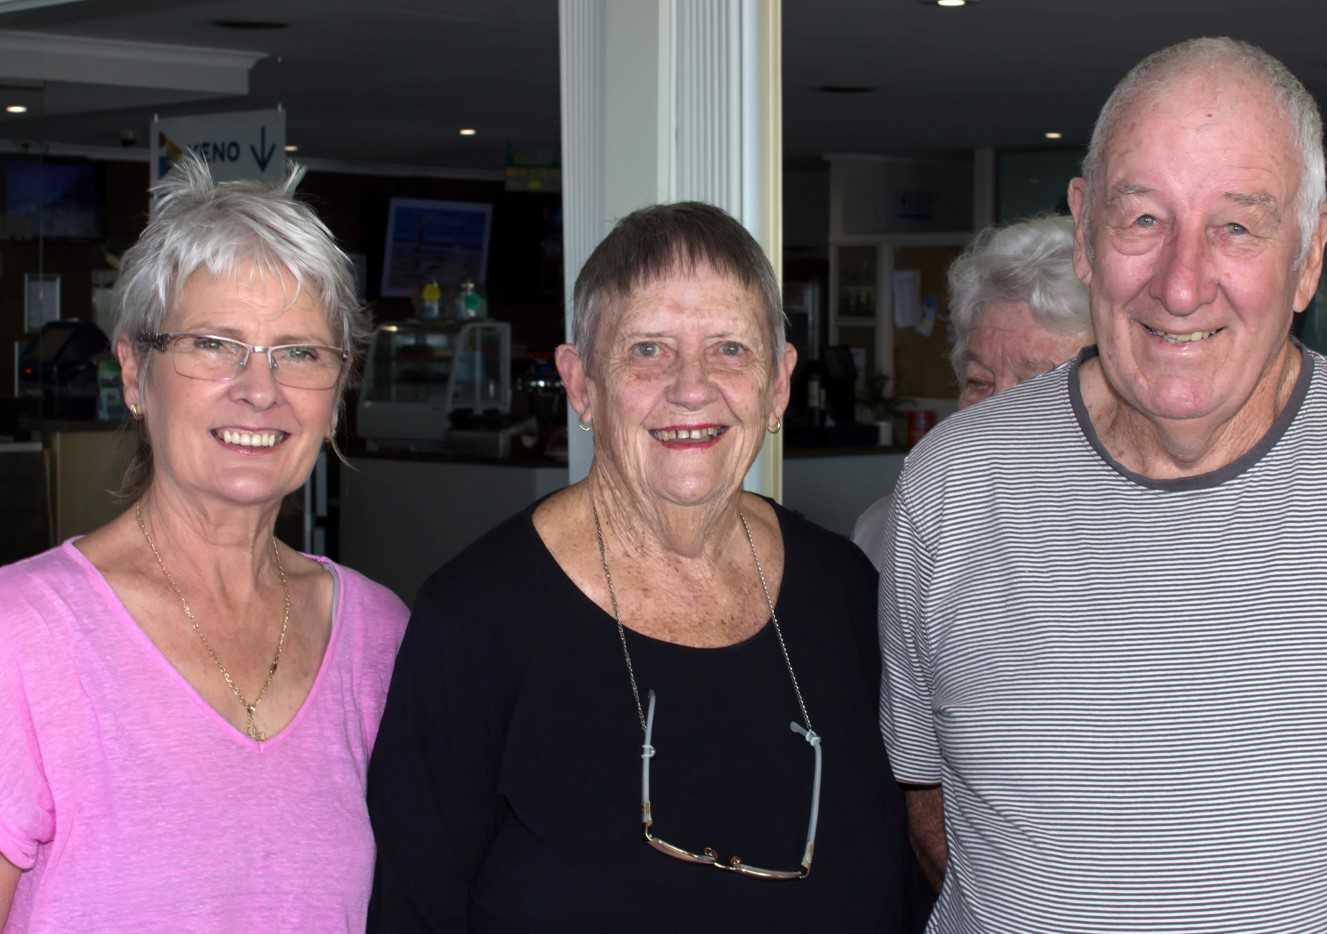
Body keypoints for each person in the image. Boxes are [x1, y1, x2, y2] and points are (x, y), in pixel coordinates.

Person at [880, 36, 1327, 931]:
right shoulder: (954, 484)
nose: (1181, 286)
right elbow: (933, 801)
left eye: (1237, 224)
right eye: (1143, 219)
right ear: (1086, 234)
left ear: (1308, 254)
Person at [368, 202, 913, 931]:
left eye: (730, 349)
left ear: (779, 384)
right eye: (648, 350)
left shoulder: (843, 590)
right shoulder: (475, 620)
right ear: (581, 384)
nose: (692, 387)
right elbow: (414, 911)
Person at [0, 157, 408, 932]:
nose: (260, 389)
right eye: (214, 343)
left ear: (337, 390)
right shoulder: (21, 636)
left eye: (300, 352)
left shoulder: (382, 638)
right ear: (133, 370)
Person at [851, 215, 1091, 572]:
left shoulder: (1159, 543)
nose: (995, 412)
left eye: (1037, 385)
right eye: (979, 381)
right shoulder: (897, 531)